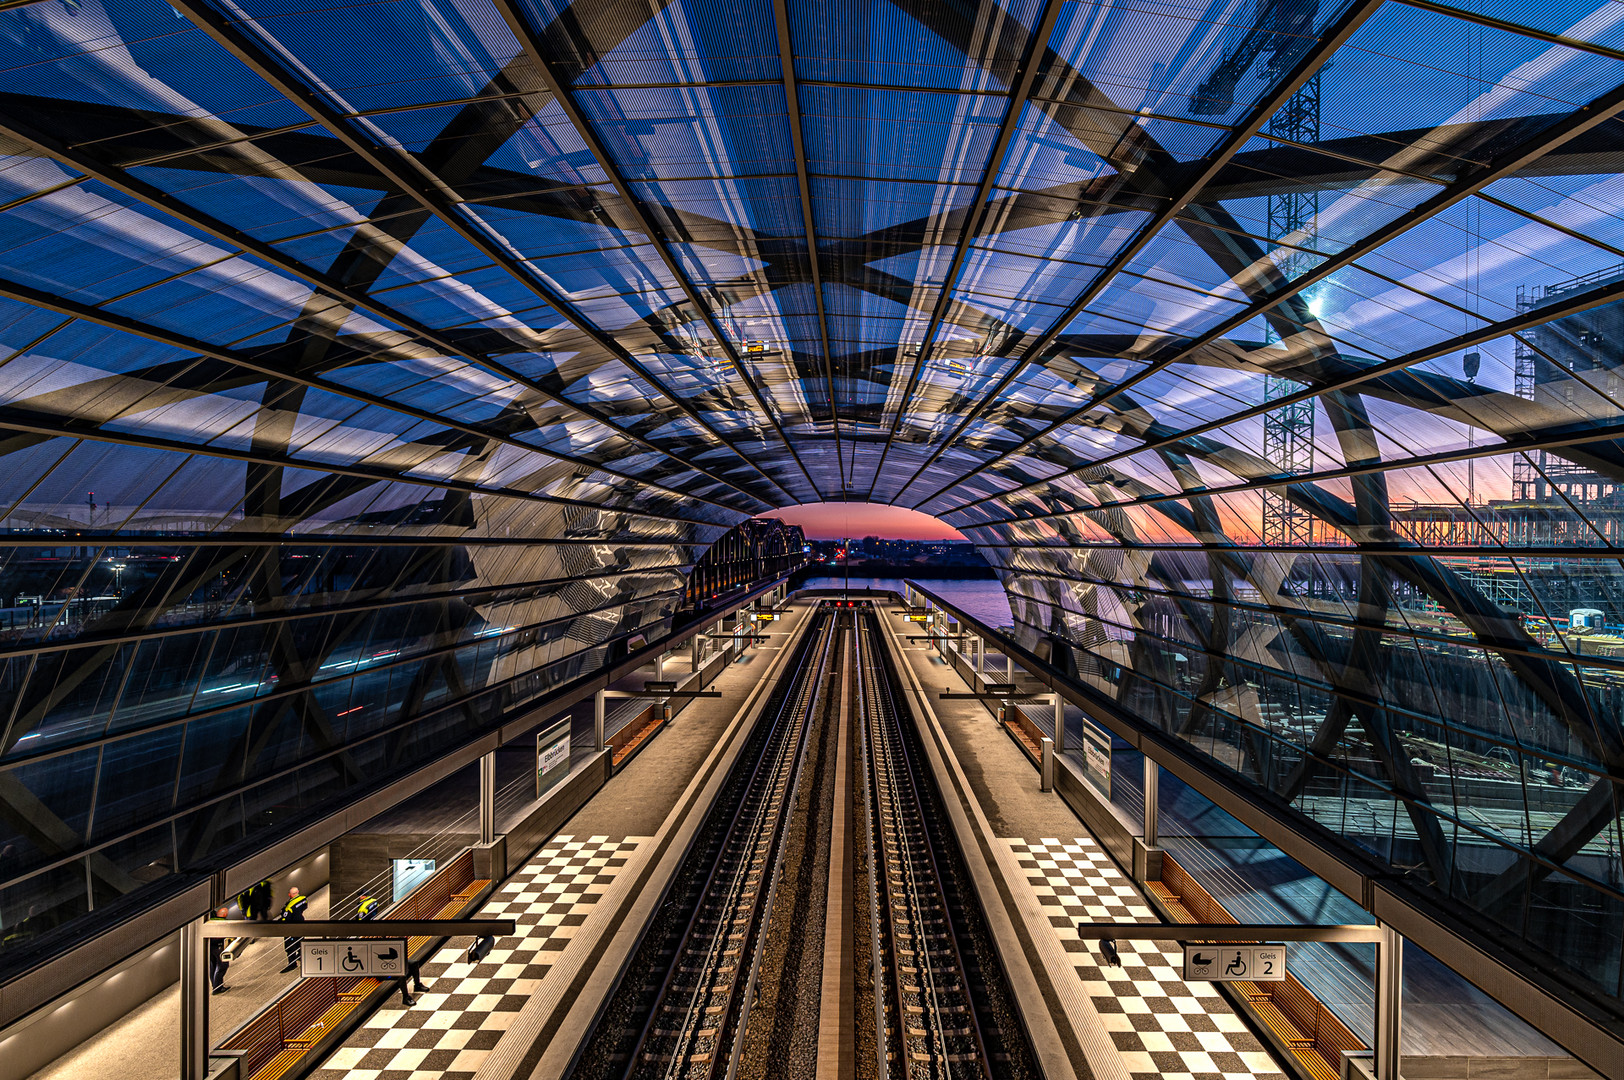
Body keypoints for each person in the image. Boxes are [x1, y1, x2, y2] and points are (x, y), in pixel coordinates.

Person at [279, 887, 307, 973]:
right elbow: (304, 908)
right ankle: (302, 958)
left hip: (291, 928)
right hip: (300, 924)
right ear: (298, 892)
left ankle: (292, 964)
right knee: (300, 942)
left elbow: (285, 918)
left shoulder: (289, 906)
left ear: (290, 895)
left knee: (290, 946)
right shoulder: (303, 899)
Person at [208, 907, 231, 994]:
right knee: (222, 965)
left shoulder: (211, 919)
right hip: (217, 947)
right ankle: (217, 988)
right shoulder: (223, 923)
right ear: (224, 915)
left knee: (213, 966)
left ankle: (215, 985)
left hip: (209, 947)